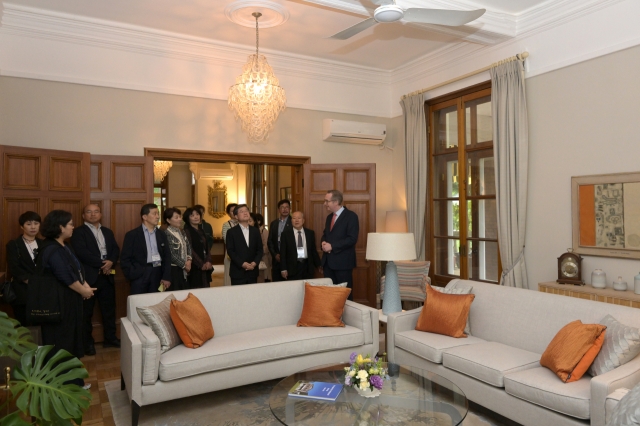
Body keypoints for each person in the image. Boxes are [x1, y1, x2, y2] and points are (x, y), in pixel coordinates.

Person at [38, 210, 96, 389]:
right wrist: (83, 291)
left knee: (72, 342)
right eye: (70, 224)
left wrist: (85, 285)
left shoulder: (64, 246)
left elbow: (76, 271)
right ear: (60, 227)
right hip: (59, 305)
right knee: (62, 344)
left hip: (70, 302)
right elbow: (65, 277)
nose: (73, 227)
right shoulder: (51, 249)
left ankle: (75, 382)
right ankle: (64, 385)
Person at [70, 204, 121, 356]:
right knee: (86, 313)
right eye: (89, 212)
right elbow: (81, 253)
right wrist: (102, 263)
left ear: (101, 214)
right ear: (83, 215)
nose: (93, 214)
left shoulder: (107, 231)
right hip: (89, 279)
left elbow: (115, 249)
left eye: (96, 211)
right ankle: (88, 344)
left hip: (107, 276)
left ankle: (110, 339)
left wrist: (111, 261)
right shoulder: (78, 232)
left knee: (109, 310)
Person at [121, 204, 171, 295]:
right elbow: (125, 258)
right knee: (139, 303)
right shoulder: (132, 235)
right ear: (144, 217)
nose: (158, 216)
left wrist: (166, 276)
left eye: (158, 213)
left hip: (158, 273)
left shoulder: (161, 234)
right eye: (154, 214)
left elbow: (167, 256)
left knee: (156, 303)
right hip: (139, 274)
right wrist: (132, 274)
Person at [6, 211, 43, 326]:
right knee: (24, 325)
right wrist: (31, 281)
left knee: (42, 324)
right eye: (29, 224)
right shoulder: (14, 245)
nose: (33, 227)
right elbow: (14, 267)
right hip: (23, 291)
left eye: (36, 223)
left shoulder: (44, 244)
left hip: (43, 290)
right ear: (22, 226)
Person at [321, 190, 359, 300]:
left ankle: (346, 318)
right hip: (328, 263)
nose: (325, 204)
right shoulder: (329, 217)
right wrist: (323, 242)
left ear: (336, 202)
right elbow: (326, 234)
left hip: (343, 264)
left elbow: (352, 239)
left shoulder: (351, 216)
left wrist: (332, 246)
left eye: (327, 201)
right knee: (330, 296)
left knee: (344, 296)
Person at [226, 204, 263, 285]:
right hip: (238, 272)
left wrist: (255, 263)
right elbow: (230, 251)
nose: (245, 213)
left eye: (246, 211)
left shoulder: (255, 231)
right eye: (241, 212)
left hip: (253, 271)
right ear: (236, 216)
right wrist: (242, 264)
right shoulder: (231, 232)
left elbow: (260, 249)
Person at [280, 211, 321, 281]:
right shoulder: (285, 234)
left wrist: (319, 265)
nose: (296, 220)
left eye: (299, 218)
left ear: (303, 220)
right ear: (291, 221)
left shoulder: (310, 233)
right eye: (294, 218)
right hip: (292, 268)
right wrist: (283, 269)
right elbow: (283, 253)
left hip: (307, 267)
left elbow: (313, 251)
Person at [162, 207, 192, 291]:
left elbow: (188, 246)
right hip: (174, 269)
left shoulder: (182, 231)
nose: (180, 219)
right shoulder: (166, 233)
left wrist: (189, 260)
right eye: (176, 217)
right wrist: (184, 265)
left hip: (185, 268)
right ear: (168, 220)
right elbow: (170, 254)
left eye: (180, 217)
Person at [183, 207, 213, 289]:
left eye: (197, 214)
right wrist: (201, 264)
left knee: (206, 289)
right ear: (187, 218)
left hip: (205, 265)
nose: (196, 217)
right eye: (192, 215)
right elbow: (189, 249)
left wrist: (208, 261)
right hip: (195, 267)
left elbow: (207, 247)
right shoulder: (187, 231)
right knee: (196, 290)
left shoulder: (201, 230)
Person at [267, 199, 292, 282]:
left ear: (290, 209)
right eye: (282, 207)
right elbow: (270, 241)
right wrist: (275, 254)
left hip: (289, 259)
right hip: (276, 260)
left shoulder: (293, 222)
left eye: (287, 207)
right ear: (278, 210)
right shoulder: (274, 223)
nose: (285, 209)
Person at [221, 203, 238, 287]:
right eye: (232, 211)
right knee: (229, 275)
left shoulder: (244, 223)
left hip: (243, 254)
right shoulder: (226, 225)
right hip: (231, 253)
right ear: (228, 213)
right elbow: (226, 240)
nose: (235, 212)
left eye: (236, 210)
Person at [252, 213, 271, 282]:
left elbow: (266, 245)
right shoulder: (254, 231)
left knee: (264, 276)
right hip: (256, 257)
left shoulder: (264, 231)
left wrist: (258, 253)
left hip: (263, 257)